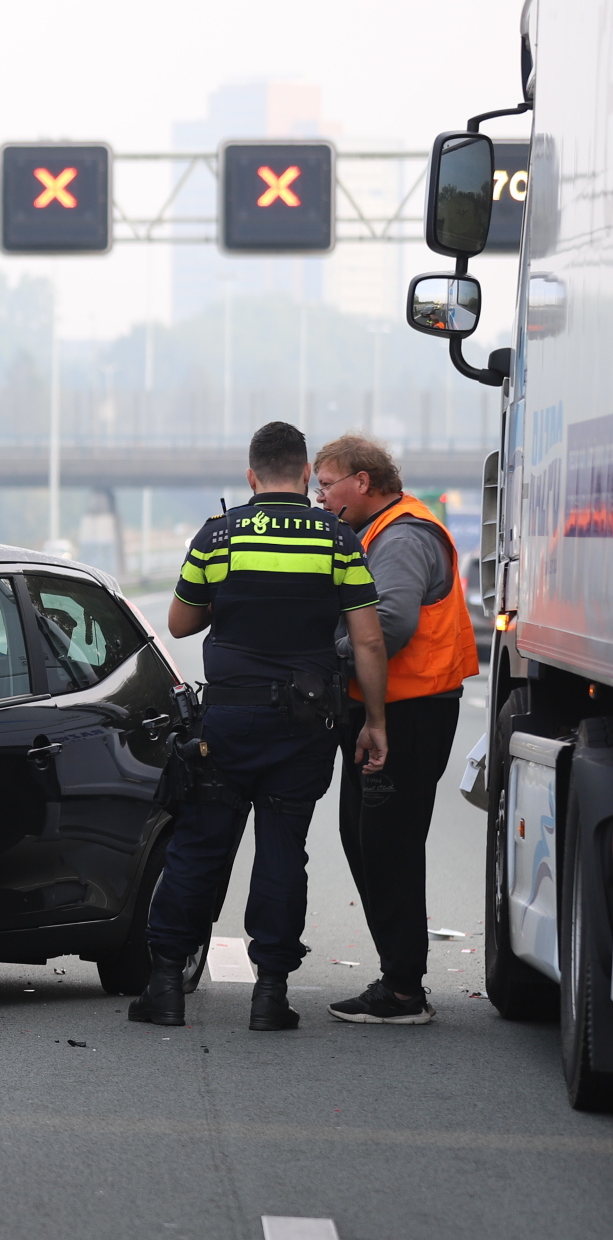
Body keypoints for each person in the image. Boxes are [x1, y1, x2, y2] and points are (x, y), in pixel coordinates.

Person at [130, 421, 390, 1032]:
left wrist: (236, 597)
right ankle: (270, 995)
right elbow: (369, 638)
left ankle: (165, 985)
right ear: (304, 474)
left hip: (227, 722)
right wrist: (374, 721)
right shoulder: (337, 538)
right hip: (304, 727)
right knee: (282, 855)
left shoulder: (220, 535)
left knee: (198, 848)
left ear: (252, 476)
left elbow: (180, 622)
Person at [314, 435, 481, 1025]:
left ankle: (404, 990)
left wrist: (324, 651)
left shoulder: (403, 536)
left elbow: (388, 623)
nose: (320, 496)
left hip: (407, 713)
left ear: (362, 481)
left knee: (386, 845)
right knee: (366, 839)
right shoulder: (377, 530)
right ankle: (399, 977)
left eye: (326, 483)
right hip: (390, 708)